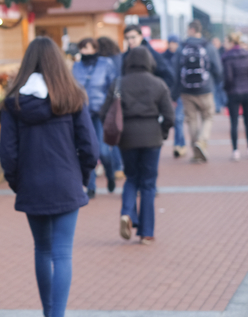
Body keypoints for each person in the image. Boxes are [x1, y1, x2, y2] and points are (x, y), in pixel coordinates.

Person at [0, 37, 97, 317]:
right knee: (62, 254)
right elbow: (90, 147)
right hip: (67, 182)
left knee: (42, 250)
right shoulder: (72, 96)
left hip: (32, 184)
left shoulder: (13, 101)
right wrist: (82, 176)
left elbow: (7, 154)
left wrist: (18, 182)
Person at [112, 47, 175, 245]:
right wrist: (162, 133)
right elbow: (170, 116)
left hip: (127, 137)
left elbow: (108, 110)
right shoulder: (158, 83)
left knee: (131, 178)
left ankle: (127, 213)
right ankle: (147, 232)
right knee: (148, 184)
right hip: (151, 137)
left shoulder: (119, 83)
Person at [71, 37, 118, 196]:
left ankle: (110, 175)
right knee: (87, 150)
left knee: (103, 151)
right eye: (83, 48)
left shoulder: (106, 64)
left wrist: (110, 108)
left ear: (95, 49)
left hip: (101, 112)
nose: (86, 52)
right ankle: (90, 186)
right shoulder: (76, 67)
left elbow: (113, 87)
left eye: (89, 48)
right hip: (82, 112)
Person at [173, 20, 224, 163]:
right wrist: (215, 83)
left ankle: (196, 153)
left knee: (192, 121)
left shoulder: (181, 47)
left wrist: (175, 92)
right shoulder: (208, 46)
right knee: (208, 116)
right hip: (205, 89)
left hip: (186, 91)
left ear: (190, 29)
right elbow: (218, 69)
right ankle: (202, 141)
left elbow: (175, 71)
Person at [222, 32, 248, 161]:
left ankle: (235, 150)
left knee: (233, 122)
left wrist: (227, 88)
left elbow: (228, 77)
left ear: (231, 42)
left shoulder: (228, 58)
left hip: (233, 92)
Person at [98, 36, 126, 178]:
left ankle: (114, 165)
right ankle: (119, 166)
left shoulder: (104, 62)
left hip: (107, 101)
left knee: (106, 134)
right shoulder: (119, 58)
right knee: (115, 131)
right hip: (118, 100)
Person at [122, 25, 175, 89]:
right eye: (127, 38)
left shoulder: (153, 55)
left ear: (140, 36)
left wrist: (155, 92)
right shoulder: (125, 56)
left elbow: (169, 77)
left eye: (133, 37)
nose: (130, 41)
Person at [162, 35, 187, 157]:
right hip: (166, 93)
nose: (172, 45)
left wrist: (176, 94)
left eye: (174, 42)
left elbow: (181, 78)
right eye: (170, 42)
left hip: (179, 93)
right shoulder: (163, 57)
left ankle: (179, 145)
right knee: (171, 119)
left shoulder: (182, 57)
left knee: (178, 119)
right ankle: (181, 144)